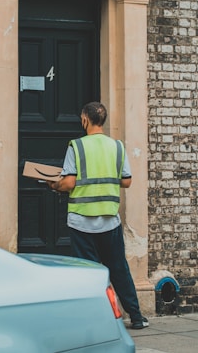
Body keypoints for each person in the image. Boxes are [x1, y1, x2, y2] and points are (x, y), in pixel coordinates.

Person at [47, 102, 149, 330]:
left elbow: (70, 182)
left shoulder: (77, 146)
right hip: (109, 221)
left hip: (82, 221)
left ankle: (95, 319)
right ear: (102, 120)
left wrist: (55, 184)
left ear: (85, 119)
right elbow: (127, 181)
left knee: (88, 273)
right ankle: (136, 316)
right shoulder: (118, 147)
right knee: (119, 269)